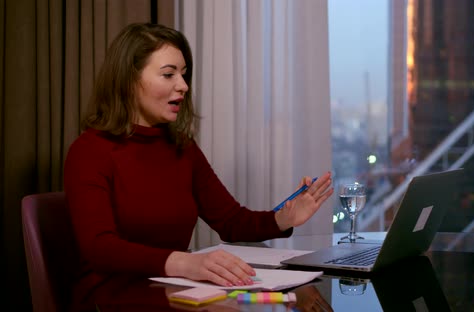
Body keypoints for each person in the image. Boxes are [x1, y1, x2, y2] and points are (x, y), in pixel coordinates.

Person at [64, 22, 334, 311]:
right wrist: (185, 263)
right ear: (128, 79)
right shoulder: (90, 151)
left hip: (173, 291)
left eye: (183, 74)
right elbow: (99, 247)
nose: (183, 85)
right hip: (109, 298)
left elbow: (230, 221)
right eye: (168, 74)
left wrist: (284, 218)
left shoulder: (182, 147)